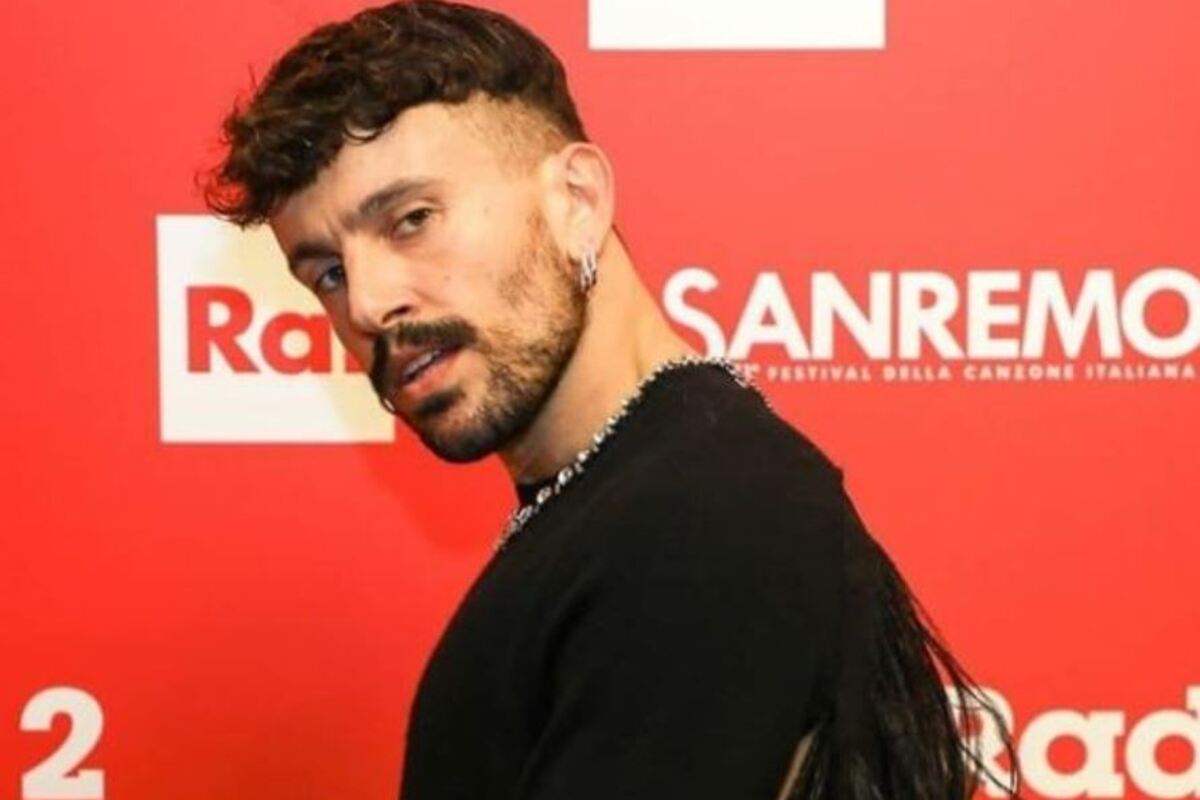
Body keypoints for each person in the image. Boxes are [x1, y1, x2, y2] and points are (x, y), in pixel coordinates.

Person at [204, 1, 1019, 797]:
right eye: (328, 273)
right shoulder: (634, 496)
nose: (369, 304)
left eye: (412, 220)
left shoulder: (701, 514)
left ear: (578, 201)